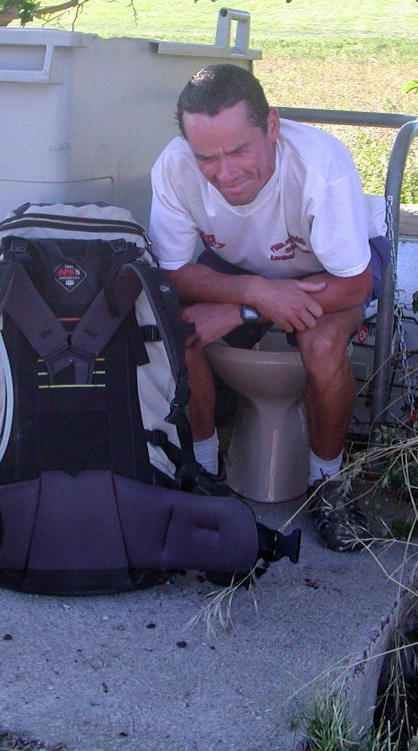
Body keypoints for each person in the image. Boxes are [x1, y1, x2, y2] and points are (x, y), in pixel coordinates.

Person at [148, 63, 390, 552]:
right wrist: (256, 291)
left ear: (272, 126)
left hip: (335, 267)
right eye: (207, 158)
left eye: (239, 150)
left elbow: (353, 283)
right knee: (179, 329)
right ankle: (203, 468)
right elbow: (171, 273)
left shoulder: (321, 163)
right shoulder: (174, 167)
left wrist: (244, 310)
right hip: (244, 267)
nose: (226, 172)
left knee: (319, 343)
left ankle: (328, 483)